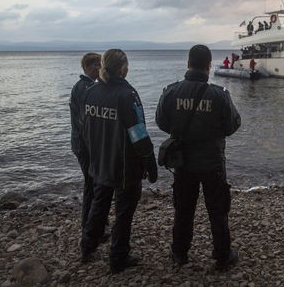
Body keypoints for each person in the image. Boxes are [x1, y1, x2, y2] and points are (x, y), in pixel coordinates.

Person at [156, 44, 241, 271]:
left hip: (183, 162)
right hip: (212, 161)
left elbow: (161, 122)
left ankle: (180, 252)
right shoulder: (218, 94)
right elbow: (233, 125)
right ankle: (222, 255)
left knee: (183, 209)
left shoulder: (171, 92)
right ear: (209, 66)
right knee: (218, 210)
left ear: (188, 64)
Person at [80, 49, 158, 274]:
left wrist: (92, 156)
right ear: (123, 68)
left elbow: (85, 128)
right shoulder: (127, 94)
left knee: (99, 204)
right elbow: (138, 133)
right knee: (123, 213)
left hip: (100, 162)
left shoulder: (91, 92)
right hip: (124, 166)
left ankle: (87, 245)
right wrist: (150, 164)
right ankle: (118, 257)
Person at [69, 52, 103, 232]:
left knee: (95, 184)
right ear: (89, 67)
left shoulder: (85, 86)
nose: (101, 69)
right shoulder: (85, 88)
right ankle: (89, 227)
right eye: (99, 65)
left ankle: (95, 224)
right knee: (92, 185)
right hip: (84, 146)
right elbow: (85, 122)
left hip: (82, 144)